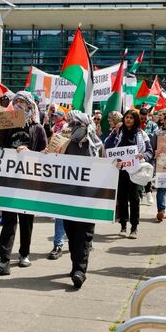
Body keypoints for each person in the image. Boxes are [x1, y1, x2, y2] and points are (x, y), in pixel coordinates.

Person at [0, 91, 48, 276]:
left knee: (26, 219)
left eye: (22, 103)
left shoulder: (38, 128)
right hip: (10, 180)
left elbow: (45, 153)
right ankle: (4, 260)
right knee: (9, 219)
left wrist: (29, 151)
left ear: (30, 106)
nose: (19, 105)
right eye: (17, 103)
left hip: (29, 182)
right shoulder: (8, 125)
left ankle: (24, 253)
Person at [57, 110, 102, 288]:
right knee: (71, 231)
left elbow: (107, 167)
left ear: (85, 125)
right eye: (70, 124)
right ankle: (76, 264)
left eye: (76, 124)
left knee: (84, 234)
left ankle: (79, 271)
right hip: (68, 196)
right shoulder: (64, 143)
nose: (72, 127)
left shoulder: (96, 146)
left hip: (88, 198)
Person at [104, 109, 152, 238]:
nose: (128, 120)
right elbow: (108, 146)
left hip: (136, 171)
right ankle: (123, 226)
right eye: (126, 117)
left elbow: (149, 151)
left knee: (135, 199)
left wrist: (143, 155)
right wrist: (115, 131)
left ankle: (134, 227)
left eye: (131, 117)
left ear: (135, 120)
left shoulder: (142, 134)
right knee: (122, 198)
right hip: (121, 170)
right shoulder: (119, 133)